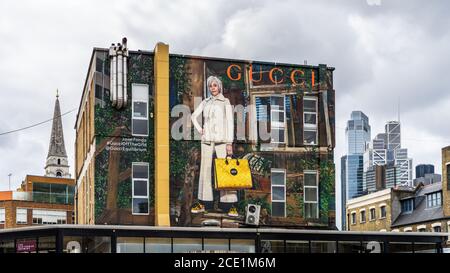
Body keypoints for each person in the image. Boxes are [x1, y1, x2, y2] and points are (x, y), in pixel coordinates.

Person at [190, 75, 238, 217]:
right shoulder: (205, 102)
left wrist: (229, 142)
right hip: (206, 141)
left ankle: (230, 205)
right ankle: (204, 203)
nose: (213, 88)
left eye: (215, 85)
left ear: (219, 87)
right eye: (210, 86)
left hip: (223, 141)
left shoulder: (225, 102)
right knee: (205, 171)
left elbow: (230, 123)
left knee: (226, 172)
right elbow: (193, 116)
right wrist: (200, 130)